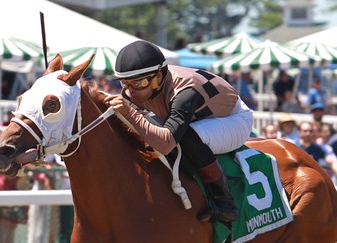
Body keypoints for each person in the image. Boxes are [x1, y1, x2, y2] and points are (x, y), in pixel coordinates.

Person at [104, 40, 254, 222]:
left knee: (186, 137)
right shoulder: (135, 89)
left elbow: (166, 144)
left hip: (232, 118)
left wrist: (129, 113)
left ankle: (224, 202)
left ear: (159, 76)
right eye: (125, 83)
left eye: (139, 82)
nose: (132, 91)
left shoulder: (185, 93)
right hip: (197, 117)